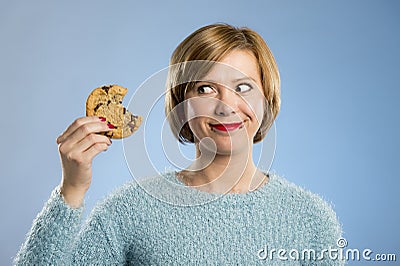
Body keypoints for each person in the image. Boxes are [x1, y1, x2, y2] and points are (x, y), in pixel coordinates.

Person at [14, 23, 343, 265]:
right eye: (205, 89)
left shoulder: (311, 219)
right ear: (180, 104)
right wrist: (72, 189)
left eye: (243, 87)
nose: (226, 105)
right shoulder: (129, 210)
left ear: (266, 99)